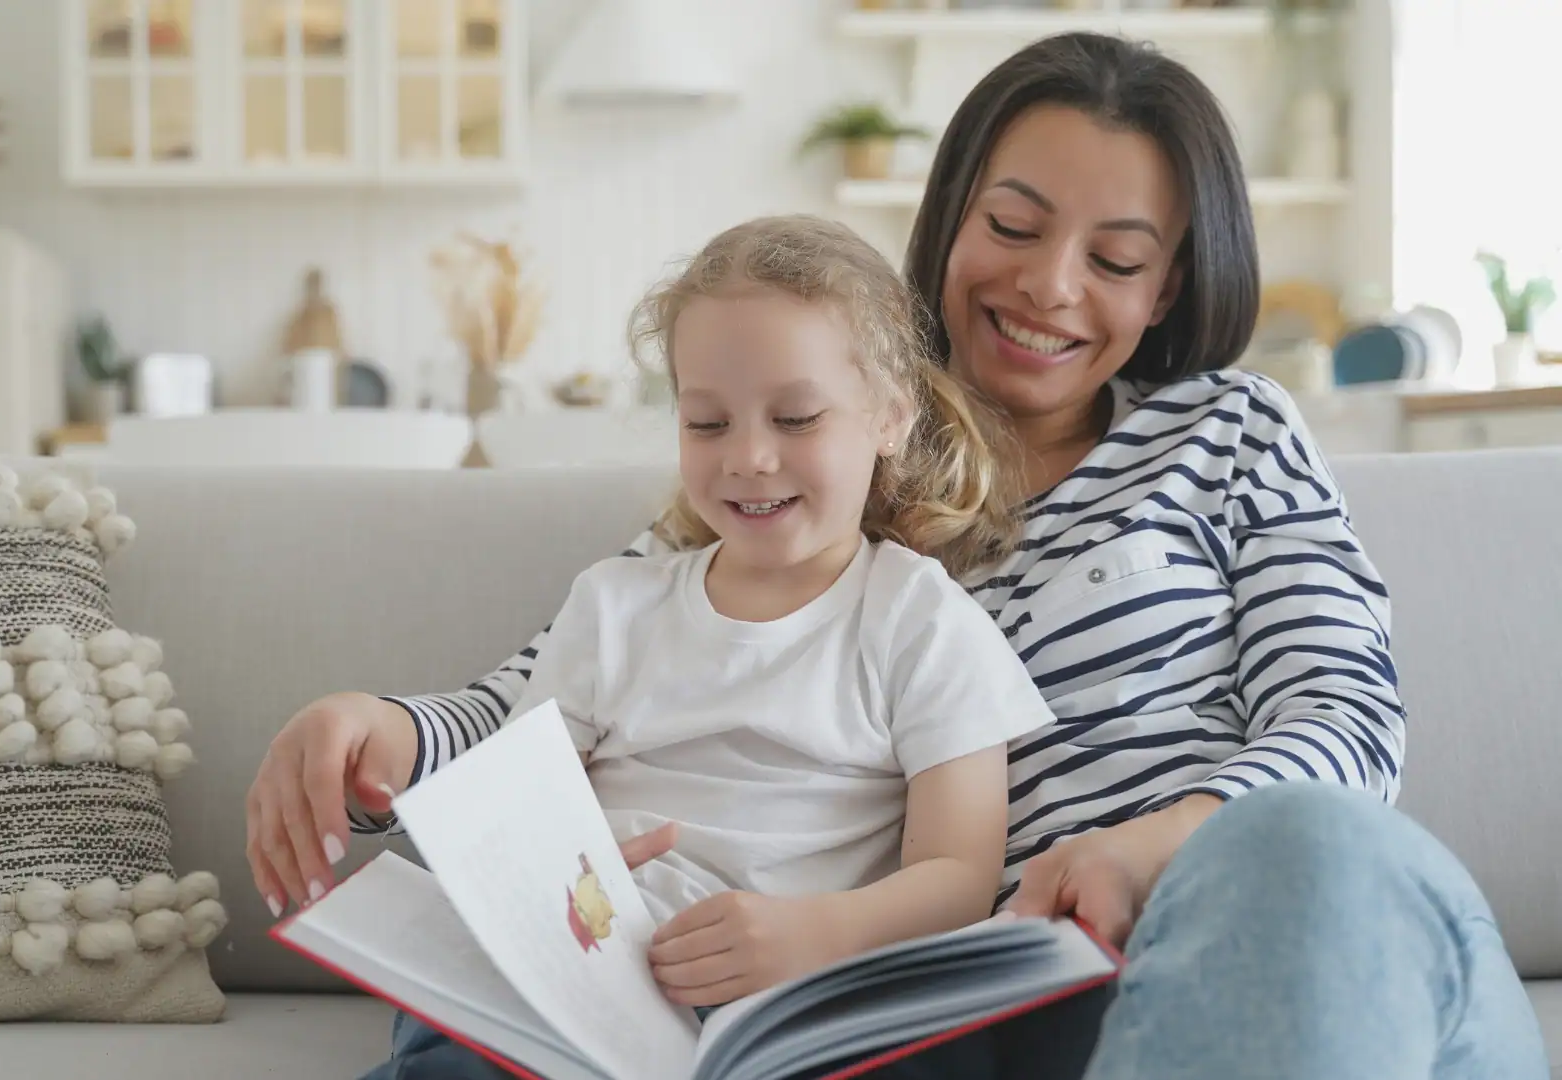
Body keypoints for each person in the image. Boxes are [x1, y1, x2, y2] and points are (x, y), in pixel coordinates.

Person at [249, 31, 1550, 1080]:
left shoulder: (1230, 431)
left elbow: (1347, 719)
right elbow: (560, 686)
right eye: (1017, 223)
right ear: (951, 216)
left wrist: (1158, 847)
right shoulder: (816, 461)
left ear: (1164, 292)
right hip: (1031, 1009)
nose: (1050, 286)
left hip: (1294, 941)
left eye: (1115, 259)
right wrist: (386, 729)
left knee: (1305, 851)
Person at [360, 213, 1061, 1078]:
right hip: (600, 972)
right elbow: (523, 815)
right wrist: (557, 874)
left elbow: (958, 875)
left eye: (796, 418)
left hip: (802, 987)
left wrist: (815, 937)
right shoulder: (615, 606)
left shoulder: (919, 619)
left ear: (888, 418)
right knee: (449, 1032)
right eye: (707, 423)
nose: (750, 458)